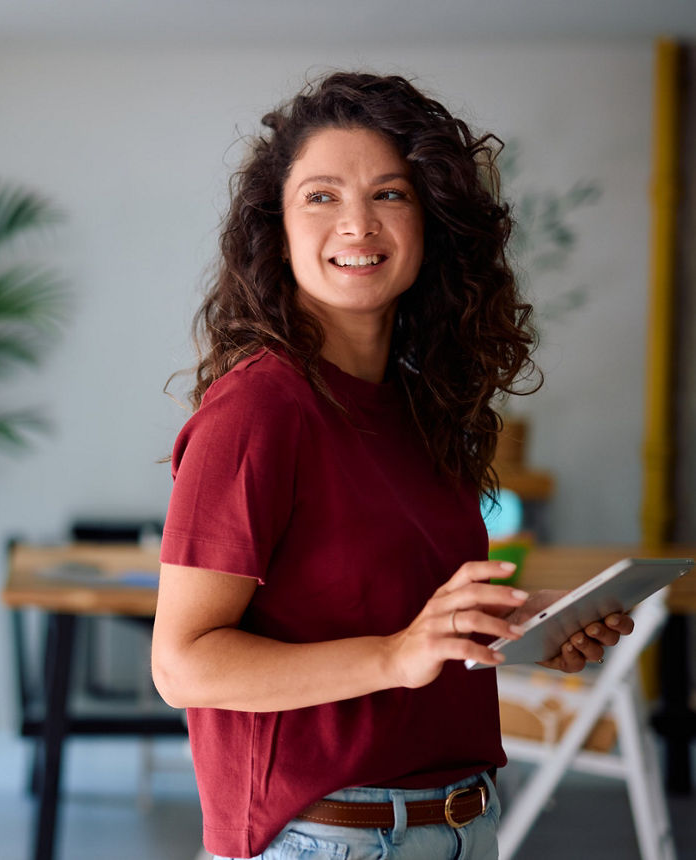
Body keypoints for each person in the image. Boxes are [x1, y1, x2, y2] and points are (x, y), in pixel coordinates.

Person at [150, 71, 635, 860]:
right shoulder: (258, 409)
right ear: (276, 229)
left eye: (389, 194)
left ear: (430, 224)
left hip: (462, 823)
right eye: (321, 196)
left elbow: (400, 618)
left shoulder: (422, 407)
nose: (357, 223)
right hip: (327, 837)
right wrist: (395, 656)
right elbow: (182, 666)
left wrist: (517, 625)